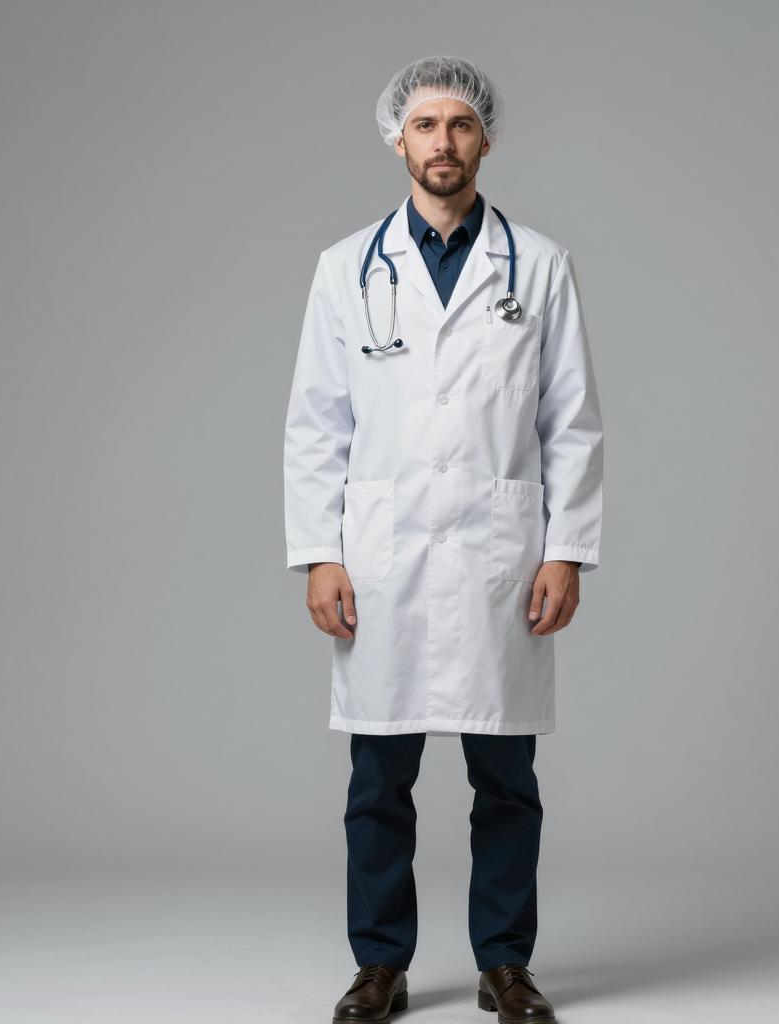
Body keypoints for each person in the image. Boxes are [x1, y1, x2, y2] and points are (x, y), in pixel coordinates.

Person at [283, 54, 603, 1023]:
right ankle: (379, 965)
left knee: (506, 779)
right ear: (398, 139)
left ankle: (505, 965)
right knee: (377, 780)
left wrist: (566, 549)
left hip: (502, 559)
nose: (443, 143)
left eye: (460, 125)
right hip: (381, 559)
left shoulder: (538, 266)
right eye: (425, 125)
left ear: (485, 139)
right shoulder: (346, 269)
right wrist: (321, 552)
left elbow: (571, 420)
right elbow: (315, 423)